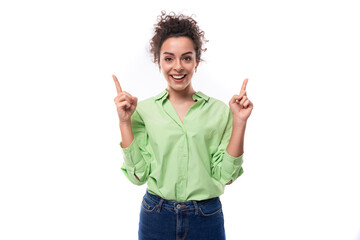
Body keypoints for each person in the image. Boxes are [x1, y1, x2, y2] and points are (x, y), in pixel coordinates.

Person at [113, 11, 253, 240]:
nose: (177, 67)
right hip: (155, 216)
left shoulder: (219, 111)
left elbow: (226, 175)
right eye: (169, 58)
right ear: (158, 61)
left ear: (196, 61)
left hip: (206, 217)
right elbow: (138, 176)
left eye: (186, 58)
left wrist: (239, 122)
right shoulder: (143, 111)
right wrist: (124, 122)